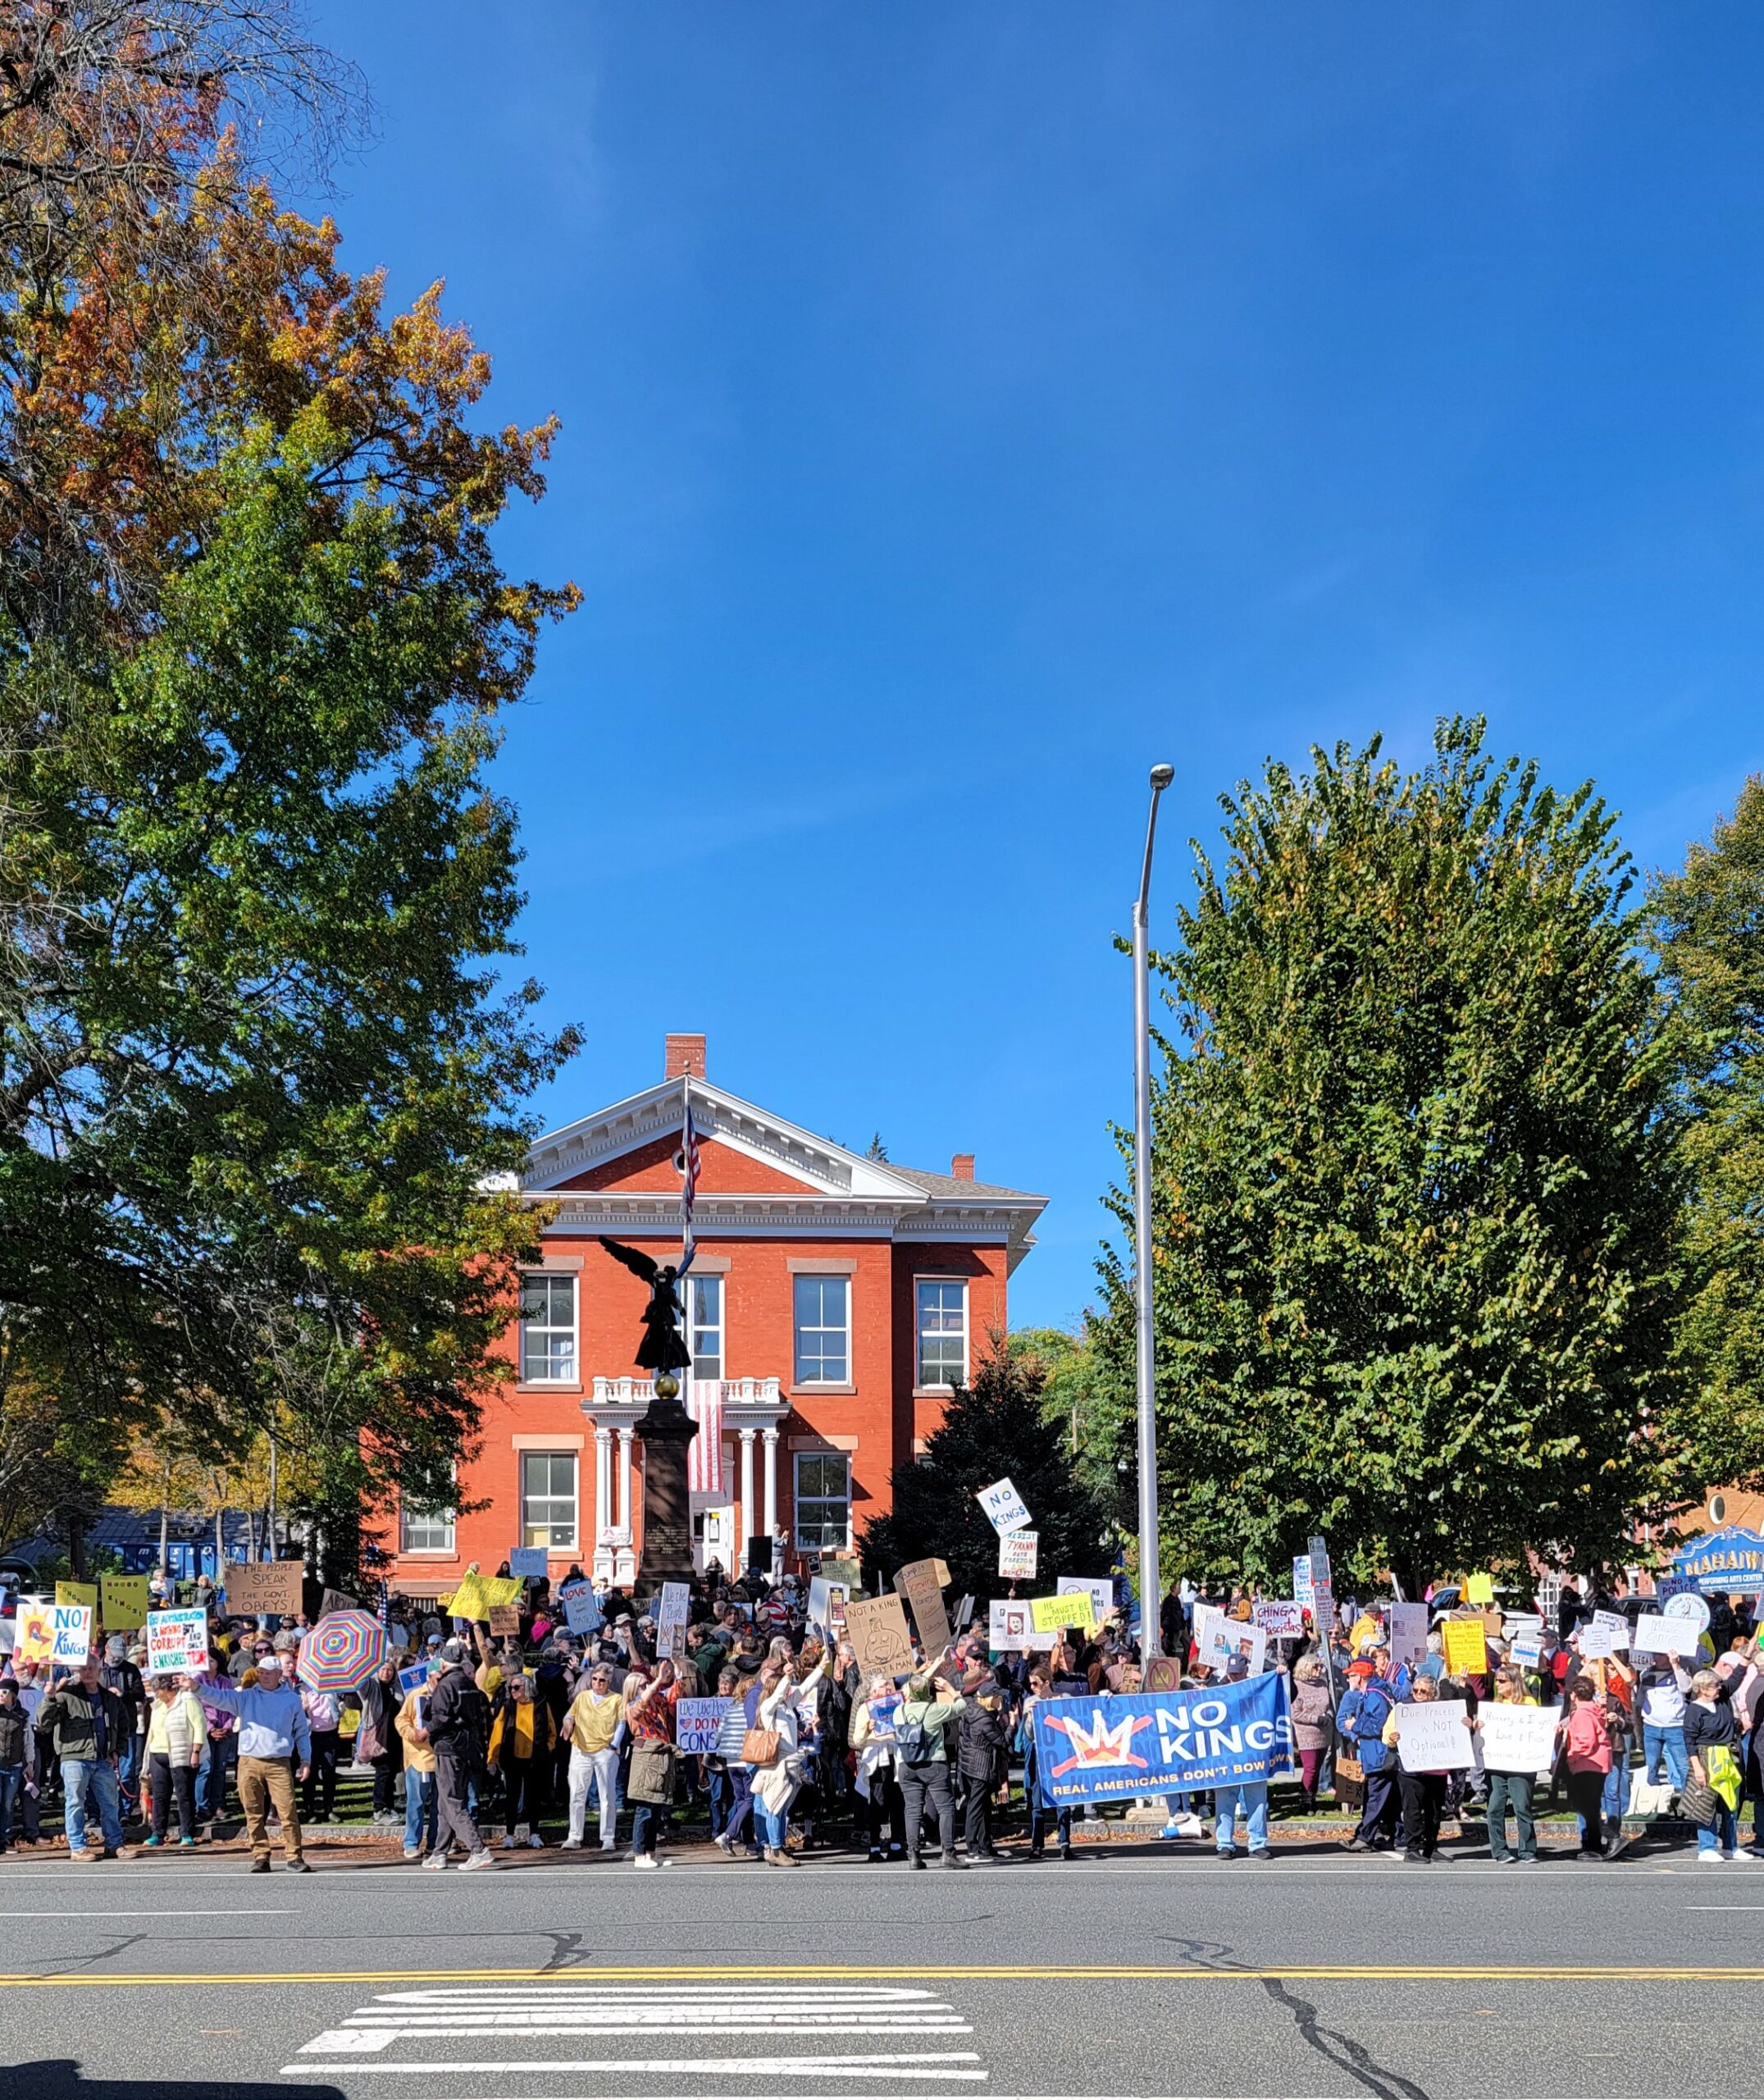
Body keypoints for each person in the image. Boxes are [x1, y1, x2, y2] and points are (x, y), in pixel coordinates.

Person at [199, 1649, 312, 1872]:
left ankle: (294, 1855)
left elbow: (301, 1732)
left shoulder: (291, 1699)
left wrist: (306, 1759)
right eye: (260, 1672)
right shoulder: (246, 1696)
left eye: (269, 1672)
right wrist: (197, 1688)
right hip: (249, 1761)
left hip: (279, 1762)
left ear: (279, 1674)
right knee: (252, 1812)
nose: (264, 1676)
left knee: (287, 1810)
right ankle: (260, 1855)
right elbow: (220, 1698)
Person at [37, 1657, 132, 1863]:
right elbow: (43, 1722)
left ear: (99, 1671)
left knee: (110, 1805)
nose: (87, 1672)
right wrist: (49, 1698)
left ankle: (114, 1844)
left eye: (91, 1668)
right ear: (77, 1672)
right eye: (83, 1669)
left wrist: (117, 1752)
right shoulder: (65, 1696)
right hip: (74, 1759)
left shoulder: (110, 1698)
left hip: (103, 1760)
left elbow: (124, 1725)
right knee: (75, 1804)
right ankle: (78, 1847)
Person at [425, 1638, 497, 1870]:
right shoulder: (469, 1682)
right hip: (469, 1747)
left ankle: (478, 1849)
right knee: (446, 1801)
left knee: (452, 1801)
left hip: (449, 1747)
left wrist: (423, 1731)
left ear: (443, 1665)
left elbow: (440, 1718)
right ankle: (440, 1852)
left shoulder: (446, 1686)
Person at [1684, 1655, 1758, 1864]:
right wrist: (1697, 1767)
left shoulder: (1722, 1699)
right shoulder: (1694, 1710)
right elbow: (1689, 1741)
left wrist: (1747, 1655)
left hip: (1727, 1756)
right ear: (1702, 1689)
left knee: (1730, 1802)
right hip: (1707, 1757)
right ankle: (1706, 1847)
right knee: (1706, 1803)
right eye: (1715, 1686)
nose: (1720, 1688)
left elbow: (1736, 1678)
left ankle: (1730, 1846)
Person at [896, 1668, 966, 1869]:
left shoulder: (898, 1712)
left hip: (906, 1765)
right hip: (933, 1762)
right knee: (945, 1807)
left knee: (912, 1810)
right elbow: (961, 1707)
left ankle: (914, 1855)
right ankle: (948, 1852)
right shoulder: (933, 1710)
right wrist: (950, 1689)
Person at [1478, 1663, 1542, 1864]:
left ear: (1514, 1683)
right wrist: (1480, 1725)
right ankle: (1500, 1850)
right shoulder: (1495, 1705)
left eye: (1502, 1681)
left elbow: (1537, 1728)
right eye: (1497, 1680)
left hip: (1520, 1765)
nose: (1498, 1684)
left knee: (1522, 1806)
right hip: (1497, 1764)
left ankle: (1527, 1851)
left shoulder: (1528, 1702)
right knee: (1495, 1807)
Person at [1213, 1655, 1274, 1860]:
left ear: (1246, 1669)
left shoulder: (1258, 1687)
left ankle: (1257, 1844)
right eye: (1231, 1673)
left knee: (1256, 1800)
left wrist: (1283, 1676)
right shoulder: (1216, 1690)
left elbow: (1285, 1696)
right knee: (1225, 1801)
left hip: (1252, 1754)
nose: (1234, 1677)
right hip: (1225, 1755)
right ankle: (1225, 1844)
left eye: (1238, 1672)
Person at [488, 1671, 557, 1849]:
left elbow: (551, 1730)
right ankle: (509, 1834)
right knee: (512, 1797)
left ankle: (534, 1833)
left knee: (534, 1797)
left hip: (535, 1758)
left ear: (527, 1688)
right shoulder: (508, 1705)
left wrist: (547, 1747)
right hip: (512, 1758)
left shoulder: (541, 1704)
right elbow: (497, 1731)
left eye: (516, 1687)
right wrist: (492, 1758)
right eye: (511, 1687)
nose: (513, 1691)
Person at [561, 1660, 625, 1851]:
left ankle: (607, 1837)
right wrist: (567, 1722)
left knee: (607, 1796)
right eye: (595, 1679)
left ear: (609, 1682)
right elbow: (570, 1715)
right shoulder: (582, 1697)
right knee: (577, 1794)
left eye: (602, 1680)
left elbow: (621, 1723)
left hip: (604, 1750)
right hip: (581, 1749)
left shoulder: (616, 1699)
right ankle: (574, 1836)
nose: (597, 1683)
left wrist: (613, 1745)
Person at [1338, 1658, 1401, 1851]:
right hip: (1378, 1753)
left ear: (1360, 1677)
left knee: (1375, 1798)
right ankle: (1400, 1836)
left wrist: (1354, 1725)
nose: (1349, 1679)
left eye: (1351, 1676)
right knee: (1389, 1799)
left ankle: (1365, 1837)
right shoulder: (1376, 1691)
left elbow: (1376, 1724)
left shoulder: (1374, 1695)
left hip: (1378, 1755)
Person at [1383, 1674, 1447, 1863]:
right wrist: (1391, 1738)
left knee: (1434, 1811)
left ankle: (1431, 1847)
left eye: (1423, 1691)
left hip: (1436, 1768)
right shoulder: (1402, 1709)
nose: (1418, 1694)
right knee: (1412, 1810)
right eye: (1415, 1690)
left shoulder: (1442, 1710)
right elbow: (1386, 1734)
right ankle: (1412, 1849)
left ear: (1433, 1693)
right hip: (1411, 1769)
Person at [622, 1658, 680, 1869]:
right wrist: (655, 1683)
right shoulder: (632, 1706)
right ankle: (638, 1854)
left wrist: (674, 1673)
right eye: (643, 1685)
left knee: (656, 1808)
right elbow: (639, 1706)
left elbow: (674, 1696)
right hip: (646, 1756)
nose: (648, 1687)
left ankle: (650, 1852)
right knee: (644, 1808)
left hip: (660, 1754)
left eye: (647, 1684)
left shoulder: (658, 1702)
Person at [143, 1674, 207, 1849]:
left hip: (180, 1755)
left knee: (184, 1795)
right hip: (158, 1754)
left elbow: (200, 1726)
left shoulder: (187, 1700)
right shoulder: (157, 1706)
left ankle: (186, 1833)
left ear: (168, 1688)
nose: (156, 1694)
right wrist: (147, 1760)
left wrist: (195, 1752)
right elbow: (152, 1733)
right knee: (160, 1796)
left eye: (158, 1690)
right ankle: (158, 1833)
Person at [850, 1674, 907, 1863]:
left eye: (889, 1685)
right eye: (884, 1686)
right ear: (874, 1691)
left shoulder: (896, 1703)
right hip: (877, 1759)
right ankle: (874, 1847)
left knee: (897, 1801)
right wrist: (867, 1728)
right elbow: (857, 1740)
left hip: (895, 1756)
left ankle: (896, 1845)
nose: (889, 1688)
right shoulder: (866, 1709)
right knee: (877, 1803)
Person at [955, 1669, 1010, 1860]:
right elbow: (1002, 1742)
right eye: (997, 1697)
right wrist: (1010, 1724)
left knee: (984, 1807)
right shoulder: (985, 1718)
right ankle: (972, 1848)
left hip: (970, 1766)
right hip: (980, 1768)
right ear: (990, 1697)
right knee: (976, 1808)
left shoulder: (971, 1711)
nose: (1000, 1701)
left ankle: (986, 1847)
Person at [1559, 1678, 1615, 1859]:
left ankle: (1609, 1838)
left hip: (1587, 1764)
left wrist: (1571, 1758)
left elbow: (1586, 1742)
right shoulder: (1593, 1709)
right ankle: (1594, 1845)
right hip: (1597, 1762)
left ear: (1574, 1695)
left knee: (1585, 1805)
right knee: (1590, 1806)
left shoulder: (1582, 1713)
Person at [395, 1667, 440, 1861]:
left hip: (441, 1757)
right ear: (429, 1677)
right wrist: (414, 1734)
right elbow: (401, 1720)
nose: (441, 1681)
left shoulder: (447, 1693)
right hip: (419, 1757)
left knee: (441, 1805)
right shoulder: (415, 1695)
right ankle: (411, 1843)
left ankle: (436, 1843)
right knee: (417, 1803)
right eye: (438, 1677)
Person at [357, 1660, 403, 1827]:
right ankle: (379, 1809)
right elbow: (361, 1685)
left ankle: (389, 1807)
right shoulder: (371, 1686)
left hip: (394, 1736)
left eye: (390, 1670)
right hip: (377, 1734)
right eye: (383, 1669)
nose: (386, 1673)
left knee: (391, 1773)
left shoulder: (397, 1687)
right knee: (383, 1772)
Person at [1288, 1655, 1331, 1815]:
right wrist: (1315, 1719)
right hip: (1306, 1734)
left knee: (1318, 1769)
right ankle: (1305, 1802)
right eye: (1316, 1667)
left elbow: (1328, 1705)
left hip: (1324, 1733)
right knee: (1310, 1769)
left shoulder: (1322, 1685)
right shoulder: (1297, 1686)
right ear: (1306, 1667)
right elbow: (1295, 1713)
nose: (1319, 1670)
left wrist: (1328, 1716)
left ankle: (1312, 1800)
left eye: (1321, 1666)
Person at [0, 1676, 34, 1852]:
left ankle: (4, 1839)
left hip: (14, 1766)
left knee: (8, 1804)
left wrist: (29, 1763)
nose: (1, 1695)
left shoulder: (23, 1715)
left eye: (5, 1692)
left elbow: (29, 1741)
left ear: (13, 1695)